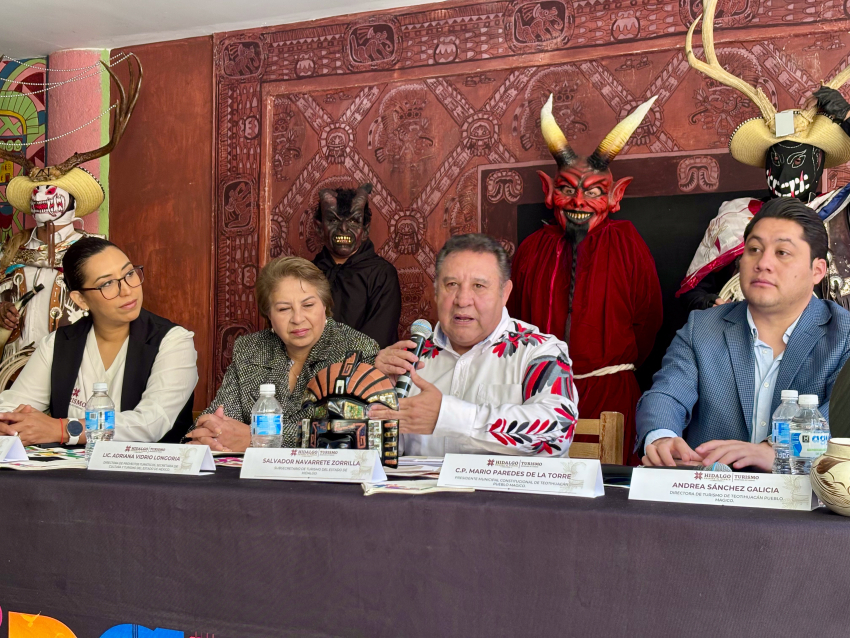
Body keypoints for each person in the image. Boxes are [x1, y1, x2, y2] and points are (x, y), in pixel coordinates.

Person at [637, 198, 850, 471]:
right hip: (708, 502)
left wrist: (775, 452)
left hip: (805, 504)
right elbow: (666, 395)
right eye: (754, 249)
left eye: (782, 252)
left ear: (817, 270)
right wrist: (662, 436)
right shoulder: (701, 328)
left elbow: (841, 419)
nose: (763, 263)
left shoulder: (843, 335)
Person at [508, 94, 663, 464]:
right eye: (566, 189)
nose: (578, 202)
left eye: (593, 192)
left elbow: (649, 320)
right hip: (537, 395)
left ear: (615, 196)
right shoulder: (532, 248)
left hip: (612, 392)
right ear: (549, 191)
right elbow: (512, 322)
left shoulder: (626, 242)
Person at [676, 0, 850, 311]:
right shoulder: (735, 217)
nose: (784, 175)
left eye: (797, 162)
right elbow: (693, 292)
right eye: (776, 162)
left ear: (818, 163)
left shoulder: (839, 212)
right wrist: (710, 304)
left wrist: (846, 119)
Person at [371, 233, 578, 457]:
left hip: (505, 492)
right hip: (417, 492)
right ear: (436, 292)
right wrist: (371, 390)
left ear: (504, 293)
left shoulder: (540, 351)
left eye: (479, 286)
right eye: (452, 284)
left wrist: (446, 416)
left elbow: (558, 433)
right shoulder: (408, 357)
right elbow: (376, 454)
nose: (463, 299)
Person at [0, 55, 142, 359]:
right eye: (36, 191)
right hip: (14, 361)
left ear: (73, 204)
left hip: (75, 358)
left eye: (50, 190)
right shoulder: (12, 248)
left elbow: (119, 305)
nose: (40, 196)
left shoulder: (95, 250)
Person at [0, 237, 198, 445]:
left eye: (129, 273)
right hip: (68, 475)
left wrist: (64, 429)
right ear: (81, 300)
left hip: (149, 475)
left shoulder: (173, 342)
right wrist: (7, 422)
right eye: (107, 283)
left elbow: (149, 424)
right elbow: (11, 407)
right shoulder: (57, 344)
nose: (127, 290)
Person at [185, 256, 379, 452]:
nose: (297, 318)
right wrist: (209, 435)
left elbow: (358, 435)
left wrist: (256, 439)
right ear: (268, 315)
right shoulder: (251, 348)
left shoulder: (357, 350)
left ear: (325, 306)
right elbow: (215, 420)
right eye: (284, 309)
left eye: (308, 305)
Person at [312, 183, 401, 347]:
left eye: (353, 221)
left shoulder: (382, 274)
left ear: (365, 230)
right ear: (319, 228)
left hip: (366, 370)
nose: (343, 228)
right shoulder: (306, 274)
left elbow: (377, 338)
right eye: (333, 220)